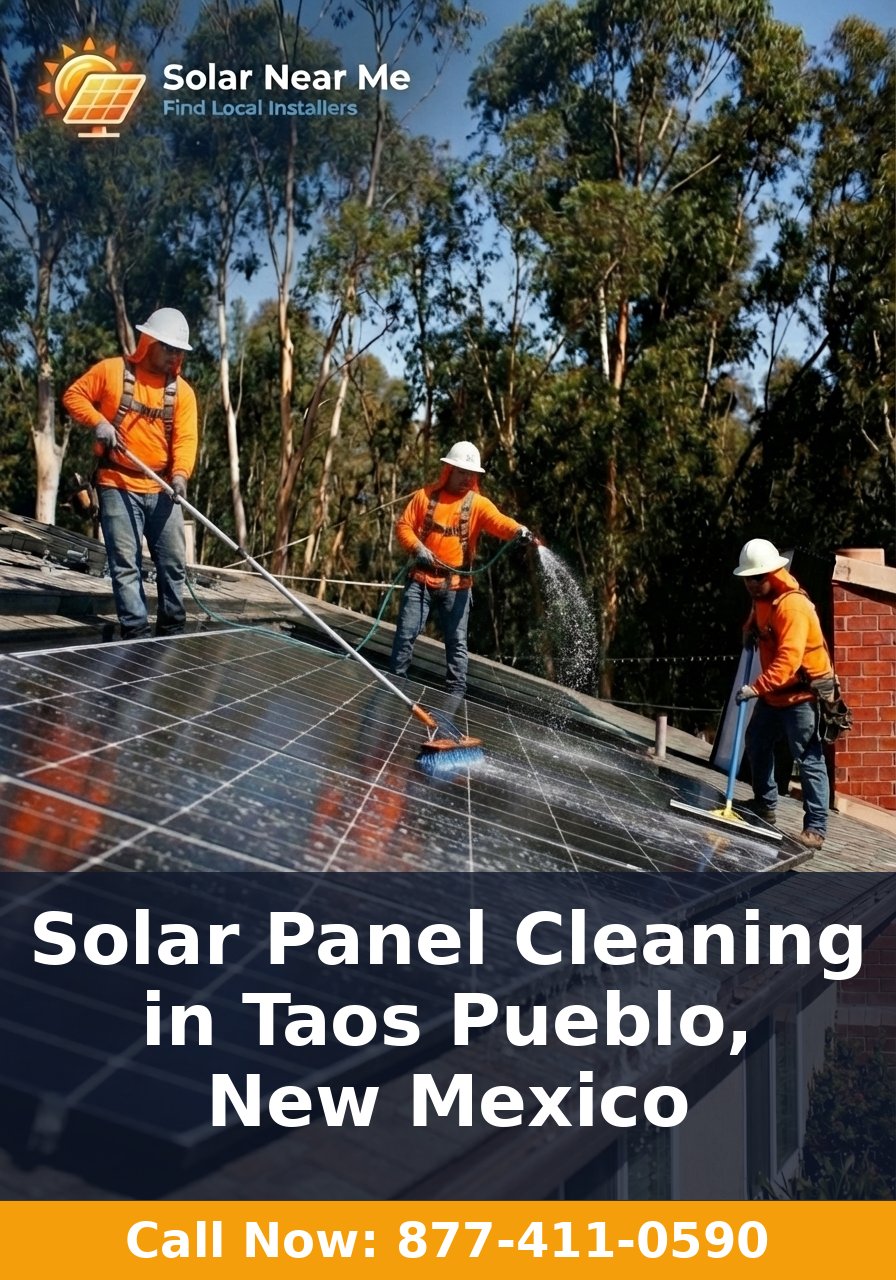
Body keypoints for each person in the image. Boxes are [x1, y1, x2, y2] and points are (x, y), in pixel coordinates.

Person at [63, 308, 198, 639]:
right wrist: (99, 422)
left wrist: (180, 476)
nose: (174, 355)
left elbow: (185, 439)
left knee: (172, 565)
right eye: (168, 347)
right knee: (126, 563)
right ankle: (137, 636)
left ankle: (171, 632)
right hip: (117, 483)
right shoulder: (111, 372)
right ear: (148, 342)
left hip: (163, 488)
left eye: (179, 350)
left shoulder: (182, 393)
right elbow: (73, 396)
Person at [390, 441, 534, 696]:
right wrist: (417, 548)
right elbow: (404, 526)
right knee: (406, 633)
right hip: (421, 579)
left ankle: (456, 696)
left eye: (471, 473)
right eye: (461, 472)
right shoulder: (425, 496)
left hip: (457, 586)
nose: (466, 478)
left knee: (456, 644)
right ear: (448, 470)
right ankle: (395, 686)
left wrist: (518, 530)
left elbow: (500, 522)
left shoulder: (477, 504)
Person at [732, 538, 833, 850]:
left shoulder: (793, 607)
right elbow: (757, 618)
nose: (749, 584)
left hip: (800, 695)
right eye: (747, 578)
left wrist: (755, 688)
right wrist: (748, 629)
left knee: (808, 757)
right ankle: (765, 804)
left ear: (770, 574)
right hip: (776, 694)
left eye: (755, 578)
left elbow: (788, 662)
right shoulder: (762, 596)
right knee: (758, 741)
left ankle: (815, 828)